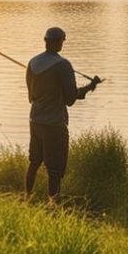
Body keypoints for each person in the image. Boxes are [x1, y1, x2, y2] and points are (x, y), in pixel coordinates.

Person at [25, 26, 101, 204]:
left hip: (35, 120)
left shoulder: (32, 62)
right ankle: (53, 203)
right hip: (54, 124)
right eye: (62, 40)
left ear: (45, 41)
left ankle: (27, 197)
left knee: (34, 161)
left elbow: (31, 96)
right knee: (55, 168)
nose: (62, 43)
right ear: (59, 42)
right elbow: (70, 99)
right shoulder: (63, 64)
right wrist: (90, 87)